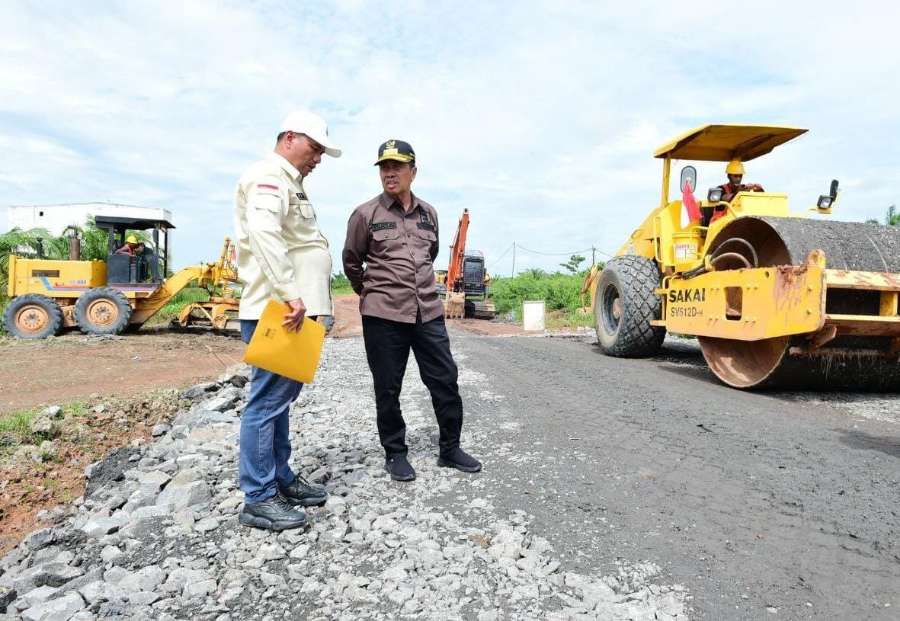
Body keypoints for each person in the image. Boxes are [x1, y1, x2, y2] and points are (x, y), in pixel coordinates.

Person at [342, 139, 482, 482]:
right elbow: (351, 261)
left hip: (428, 312)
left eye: (397, 167)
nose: (390, 173)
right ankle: (395, 453)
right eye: (384, 167)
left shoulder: (429, 214)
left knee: (445, 380)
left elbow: (429, 256)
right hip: (383, 315)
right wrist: (373, 292)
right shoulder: (365, 214)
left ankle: (450, 449)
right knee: (388, 387)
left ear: (412, 172)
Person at [233, 109, 341, 531]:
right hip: (279, 310)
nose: (317, 159)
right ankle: (258, 497)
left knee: (280, 403)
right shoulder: (268, 176)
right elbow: (264, 234)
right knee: (265, 404)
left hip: (294, 310)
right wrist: (292, 294)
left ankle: (280, 478)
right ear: (290, 138)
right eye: (314, 149)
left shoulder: (290, 182)